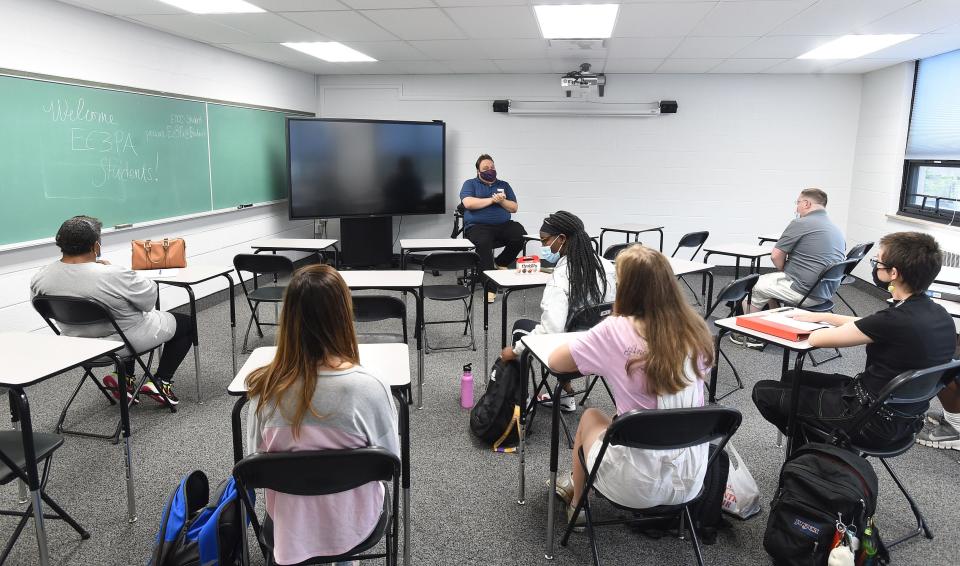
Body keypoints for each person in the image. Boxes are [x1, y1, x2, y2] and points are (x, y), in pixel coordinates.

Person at [546, 245, 715, 525]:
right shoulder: (696, 329)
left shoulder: (615, 329)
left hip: (634, 483)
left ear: (625, 288)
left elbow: (557, 362)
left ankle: (578, 506)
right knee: (625, 418)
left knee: (591, 417)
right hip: (689, 477)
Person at [245, 264, 399, 566]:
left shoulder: (264, 390)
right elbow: (390, 463)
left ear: (288, 318)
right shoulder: (370, 387)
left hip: (290, 527)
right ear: (344, 316)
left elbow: (256, 465)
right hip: (355, 525)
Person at [752, 232, 956, 449]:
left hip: (866, 420)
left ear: (893, 273)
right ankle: (816, 443)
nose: (876, 267)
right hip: (902, 419)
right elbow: (870, 323)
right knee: (793, 377)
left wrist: (811, 324)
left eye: (878, 262)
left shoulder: (894, 320)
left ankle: (817, 448)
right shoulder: (938, 314)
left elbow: (820, 338)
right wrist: (824, 316)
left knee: (763, 392)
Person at [30, 216, 192, 404]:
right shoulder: (113, 274)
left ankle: (124, 379)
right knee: (186, 323)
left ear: (60, 244)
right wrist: (115, 269)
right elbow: (149, 301)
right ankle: (161, 381)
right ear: (96, 246)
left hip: (76, 346)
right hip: (121, 343)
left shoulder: (41, 276)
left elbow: (41, 305)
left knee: (123, 315)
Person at [500, 211, 616, 412]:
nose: (544, 247)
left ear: (562, 239)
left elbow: (551, 331)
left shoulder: (561, 277)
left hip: (570, 356)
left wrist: (515, 350)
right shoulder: (607, 266)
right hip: (602, 350)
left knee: (521, 329)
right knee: (571, 324)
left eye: (545, 241)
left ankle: (522, 402)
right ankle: (564, 396)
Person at [733, 188, 846, 348]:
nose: (796, 208)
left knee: (753, 285)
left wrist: (785, 271)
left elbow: (776, 256)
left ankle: (752, 336)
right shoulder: (835, 228)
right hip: (825, 291)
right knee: (768, 283)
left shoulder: (801, 223)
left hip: (806, 292)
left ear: (806, 203)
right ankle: (776, 324)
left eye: (798, 203)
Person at [459, 153, 526, 301]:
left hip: (503, 225)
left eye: (492, 167)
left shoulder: (504, 185)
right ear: (478, 171)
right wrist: (492, 200)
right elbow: (468, 203)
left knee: (520, 235)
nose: (490, 170)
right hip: (478, 227)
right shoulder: (470, 184)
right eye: (486, 167)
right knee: (484, 243)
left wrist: (501, 202)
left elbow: (513, 207)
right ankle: (490, 288)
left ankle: (501, 262)